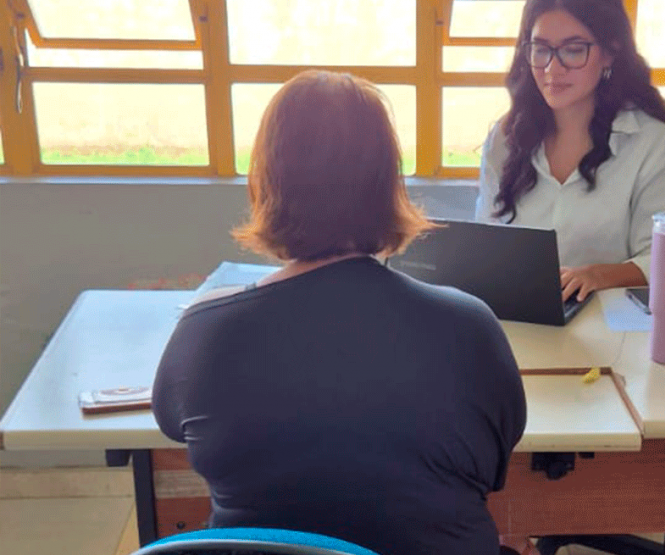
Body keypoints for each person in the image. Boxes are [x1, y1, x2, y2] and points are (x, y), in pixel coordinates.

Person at [152, 70, 527, 555]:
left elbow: (169, 423)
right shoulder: (470, 326)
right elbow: (496, 464)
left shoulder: (203, 333)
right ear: (387, 182)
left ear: (266, 180)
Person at [475, 0, 665, 303]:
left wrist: (596, 276)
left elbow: (663, 259)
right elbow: (484, 244)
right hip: (521, 321)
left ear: (609, 53)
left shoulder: (655, 144)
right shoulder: (506, 139)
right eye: (540, 49)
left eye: (573, 50)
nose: (552, 68)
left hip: (612, 328)